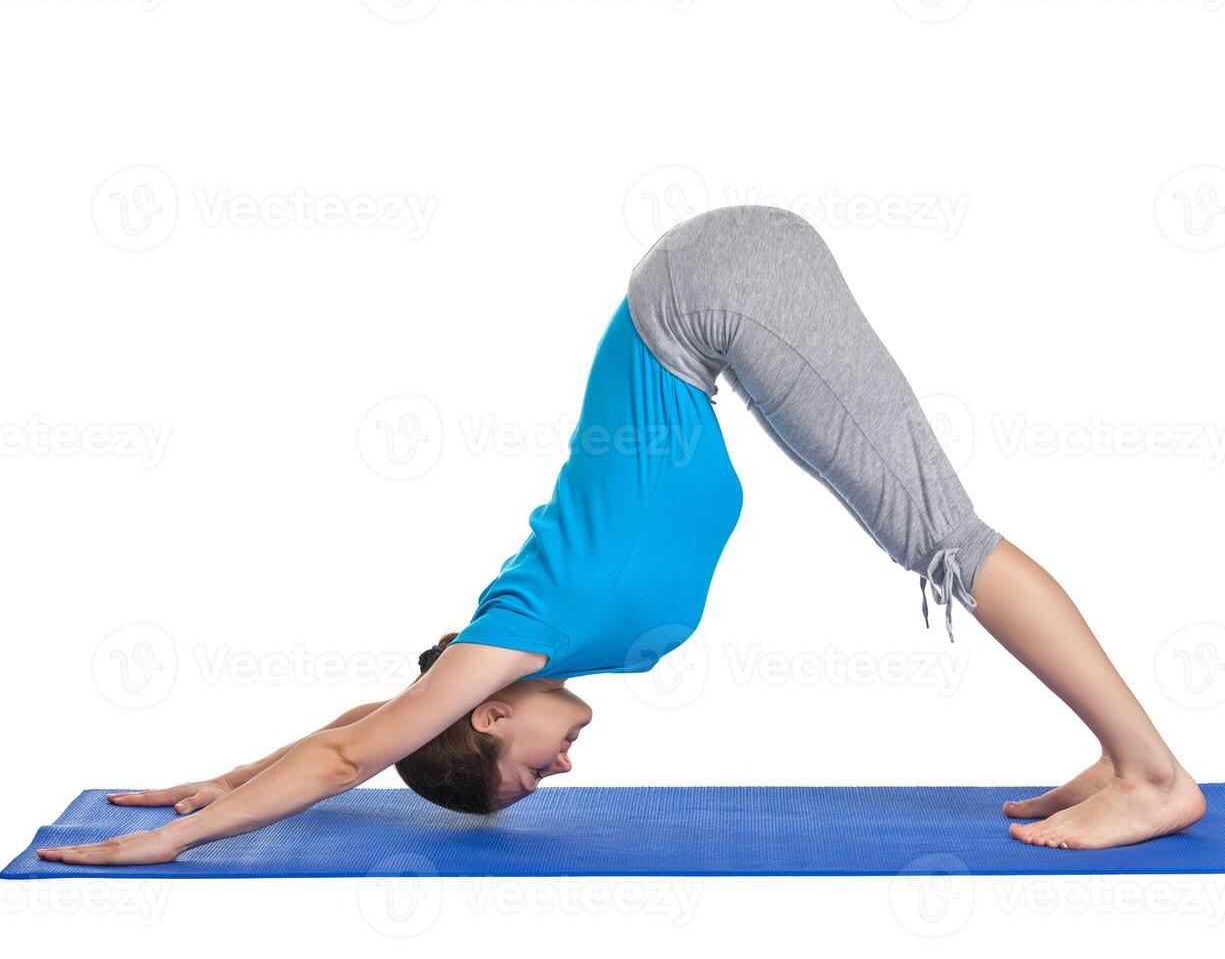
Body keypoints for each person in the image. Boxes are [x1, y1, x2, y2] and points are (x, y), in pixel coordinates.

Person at [37, 206, 1204, 867]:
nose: (564, 765)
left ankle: (1151, 775)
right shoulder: (525, 649)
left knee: (942, 537)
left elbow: (355, 755)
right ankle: (1119, 754)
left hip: (712, 292)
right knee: (931, 533)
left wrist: (173, 846)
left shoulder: (520, 634)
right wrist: (222, 777)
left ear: (486, 712)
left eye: (530, 769)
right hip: (712, 310)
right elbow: (361, 730)